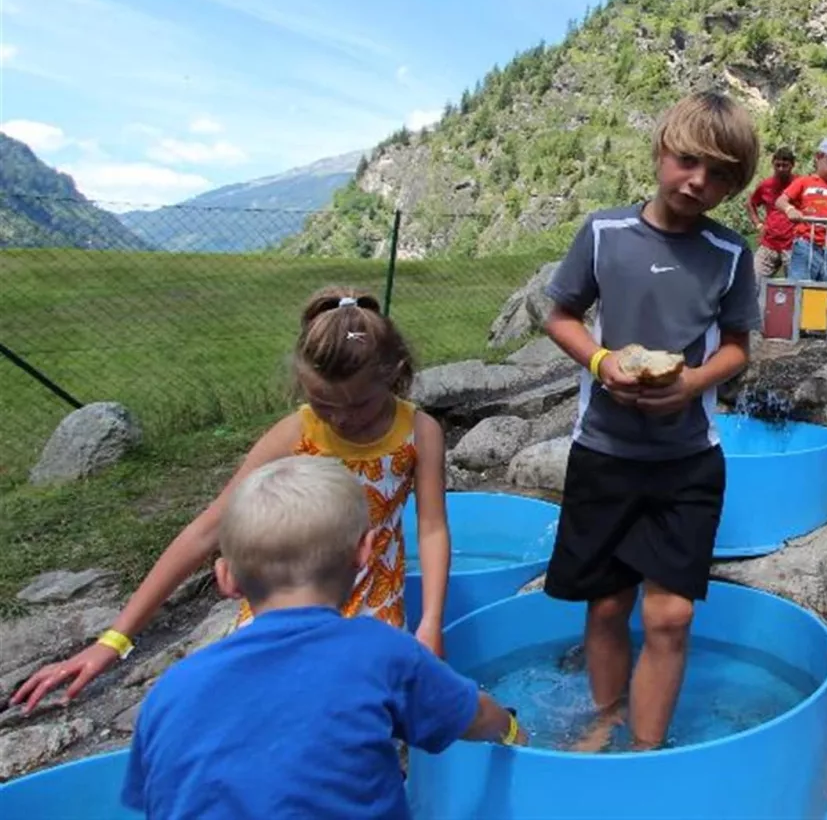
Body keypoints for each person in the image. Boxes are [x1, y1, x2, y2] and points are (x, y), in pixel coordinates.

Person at [11, 287, 451, 714]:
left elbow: (431, 528)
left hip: (374, 606)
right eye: (322, 404)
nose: (341, 418)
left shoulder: (420, 433)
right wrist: (114, 640)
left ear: (394, 374)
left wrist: (430, 621)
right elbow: (206, 531)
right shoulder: (294, 436)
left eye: (361, 406)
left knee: (359, 714)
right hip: (284, 607)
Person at [121, 456, 525, 820]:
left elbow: (157, 798)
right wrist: (512, 730)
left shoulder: (171, 689)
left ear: (225, 576)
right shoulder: (380, 652)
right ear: (365, 552)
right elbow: (474, 715)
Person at [541, 90, 762, 753]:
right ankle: (607, 719)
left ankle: (647, 749)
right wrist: (603, 361)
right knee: (607, 604)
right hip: (605, 453)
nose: (699, 181)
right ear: (661, 151)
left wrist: (692, 382)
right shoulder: (605, 234)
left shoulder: (729, 253)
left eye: (720, 174)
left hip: (686, 460)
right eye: (689, 161)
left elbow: (738, 346)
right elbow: (560, 316)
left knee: (670, 615)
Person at [773, 135, 827, 283]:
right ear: (819, 157)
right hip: (806, 244)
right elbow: (780, 201)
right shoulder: (804, 182)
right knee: (800, 283)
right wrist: (790, 210)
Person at [745, 146, 796, 282]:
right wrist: (758, 224)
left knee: (795, 288)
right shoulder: (766, 185)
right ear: (773, 164)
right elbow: (750, 203)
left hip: (793, 245)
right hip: (769, 243)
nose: (780, 169)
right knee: (753, 282)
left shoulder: (799, 184)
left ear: (792, 165)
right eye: (777, 165)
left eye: (785, 165)